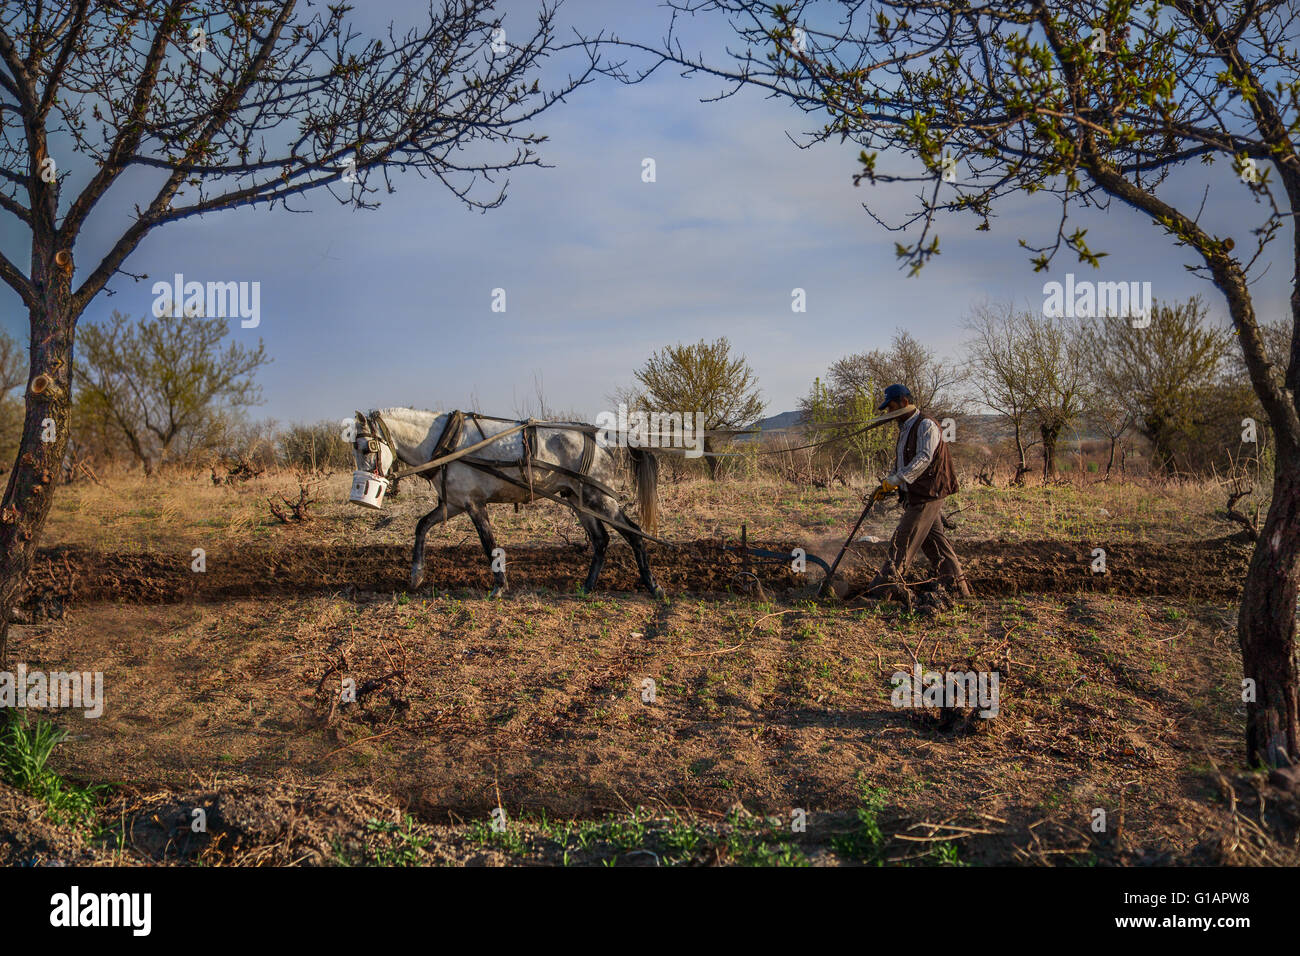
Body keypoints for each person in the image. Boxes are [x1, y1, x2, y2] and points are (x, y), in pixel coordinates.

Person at [864, 383, 970, 599]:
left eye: (892, 407)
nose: (890, 413)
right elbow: (903, 461)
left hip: (928, 493)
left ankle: (884, 589)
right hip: (917, 493)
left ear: (904, 402)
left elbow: (923, 458)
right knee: (936, 543)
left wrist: (896, 480)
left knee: (903, 538)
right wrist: (888, 484)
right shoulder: (905, 429)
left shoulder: (926, 426)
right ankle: (958, 589)